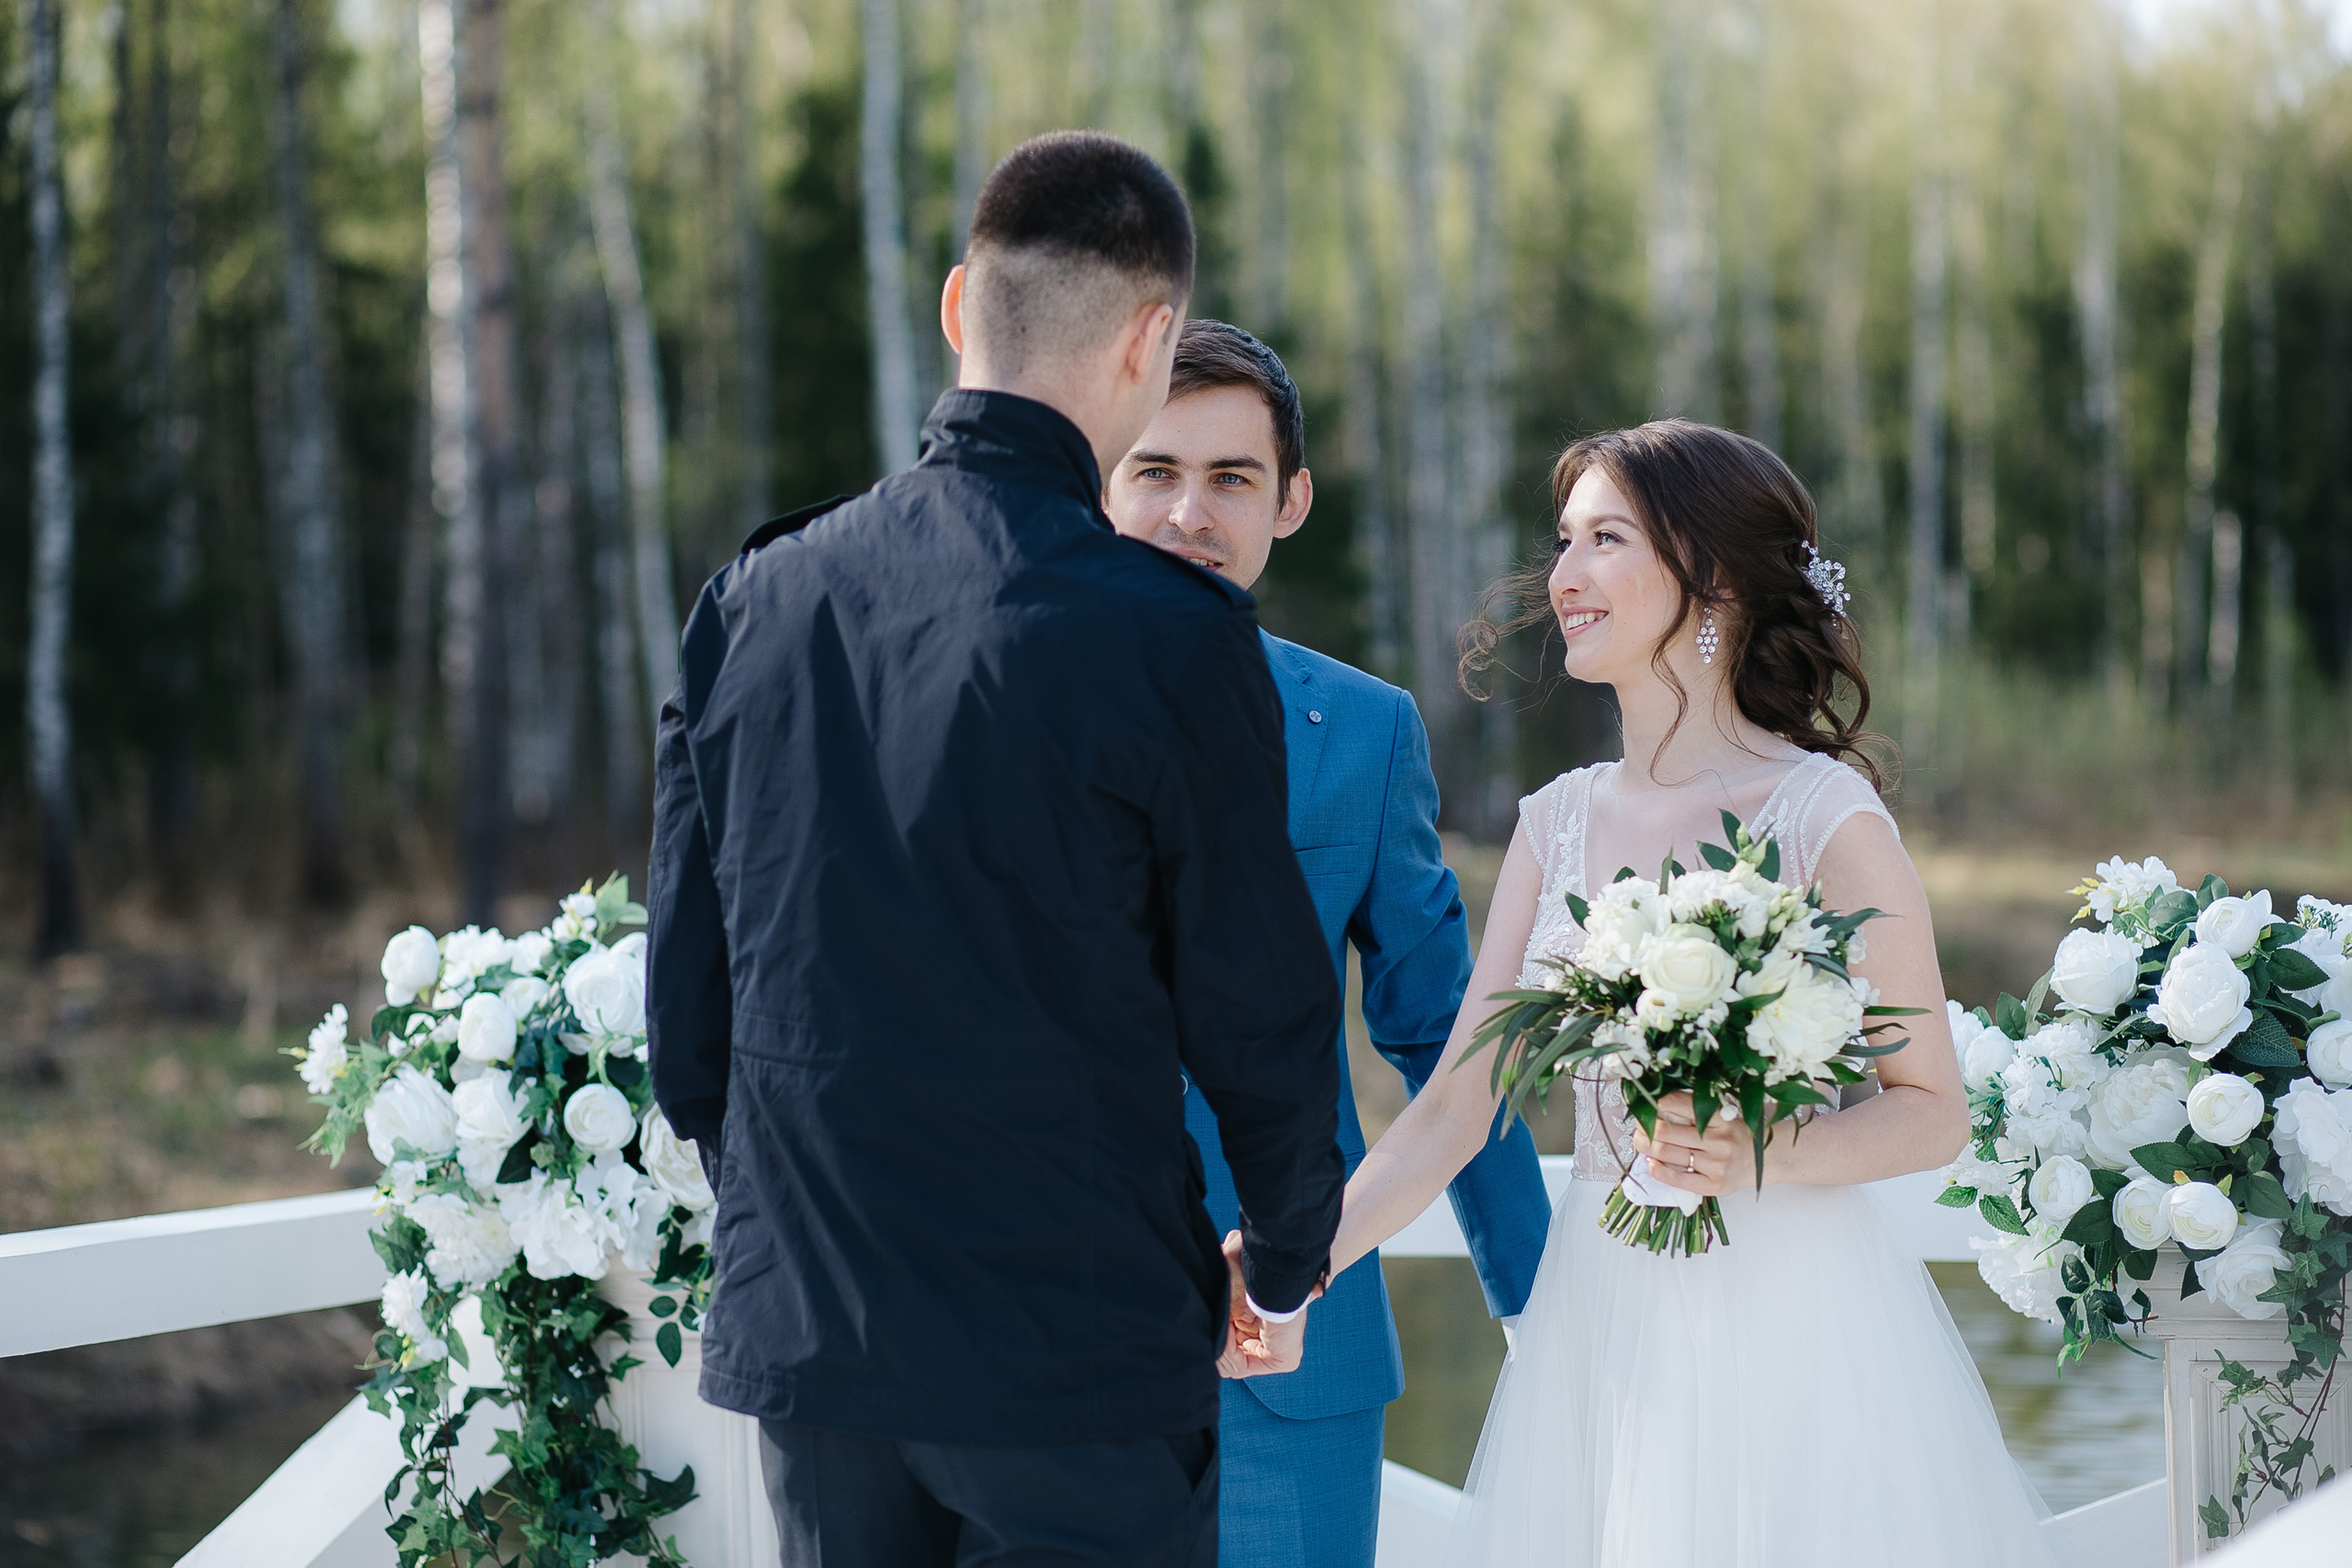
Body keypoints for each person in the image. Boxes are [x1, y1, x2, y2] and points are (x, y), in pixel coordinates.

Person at [645, 132, 1345, 1568]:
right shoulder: (1174, 634)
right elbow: (1258, 1008)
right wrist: (1281, 1258)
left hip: (820, 1340)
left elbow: (687, 1014)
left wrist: (809, 1221)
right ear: (1154, 342)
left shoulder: (752, 600)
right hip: (1073, 1354)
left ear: (964, 307)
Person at [1283, 420, 2060, 1566]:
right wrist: (1300, 1261)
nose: (1563, 576)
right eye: (1563, 540)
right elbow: (1455, 1104)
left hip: (1789, 1309)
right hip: (1606, 1316)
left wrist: (1766, 1149)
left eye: (1606, 538)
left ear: (1718, 579)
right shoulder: (1556, 822)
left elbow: (1929, 1107)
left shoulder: (1821, 817)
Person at [1102, 319, 1553, 1568]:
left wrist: (1539, 1300)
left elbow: (1442, 1030)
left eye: (1231, 477)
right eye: (1154, 469)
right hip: (1036, 1334)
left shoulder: (1365, 729)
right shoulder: (983, 701)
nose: (1190, 509)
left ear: (1288, 499)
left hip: (1287, 1347)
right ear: (1100, 477)